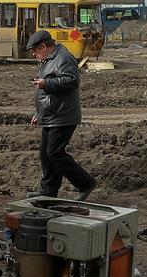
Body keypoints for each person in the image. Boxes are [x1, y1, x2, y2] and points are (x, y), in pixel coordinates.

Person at [27, 30, 96, 201]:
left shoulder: (63, 57)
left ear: (43, 46)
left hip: (63, 115)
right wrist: (39, 113)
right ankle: (48, 192)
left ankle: (85, 183)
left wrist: (46, 83)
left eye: (35, 51)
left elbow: (72, 80)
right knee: (46, 154)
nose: (34, 55)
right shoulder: (49, 59)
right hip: (51, 115)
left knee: (55, 153)